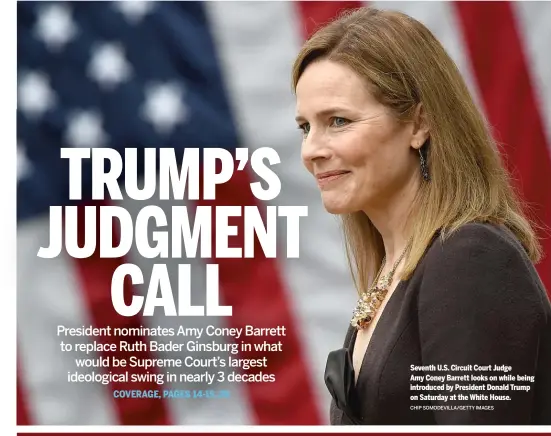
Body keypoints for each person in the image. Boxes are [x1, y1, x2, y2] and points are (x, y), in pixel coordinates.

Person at [291, 7, 551, 425]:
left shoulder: (470, 260)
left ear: (419, 123)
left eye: (338, 121)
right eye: (306, 127)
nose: (312, 150)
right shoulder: (395, 272)